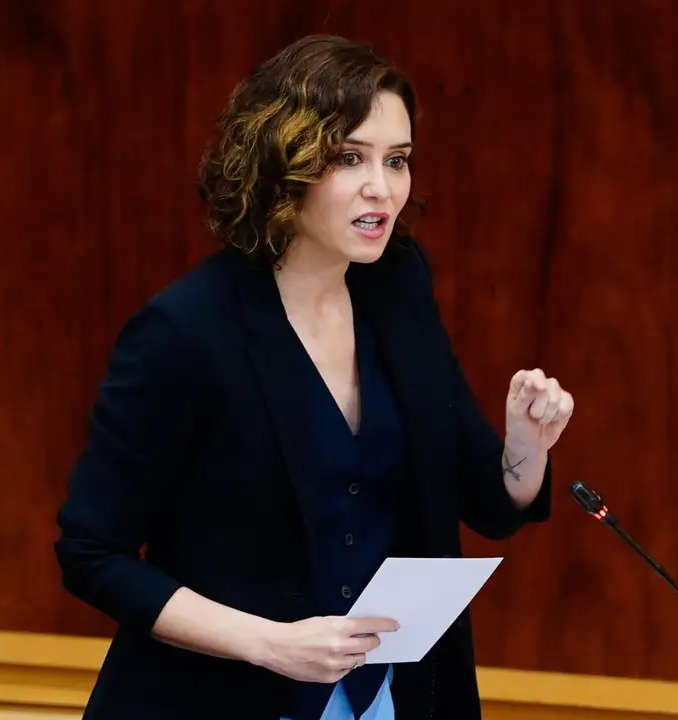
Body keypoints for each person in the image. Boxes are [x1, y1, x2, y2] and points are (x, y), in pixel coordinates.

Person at [53, 34, 573, 720]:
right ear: (282, 164)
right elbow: (92, 552)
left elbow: (488, 502)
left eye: (397, 161)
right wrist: (268, 643)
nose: (381, 188)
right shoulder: (185, 332)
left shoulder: (397, 287)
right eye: (350, 158)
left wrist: (526, 444)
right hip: (226, 697)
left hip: (393, 697)